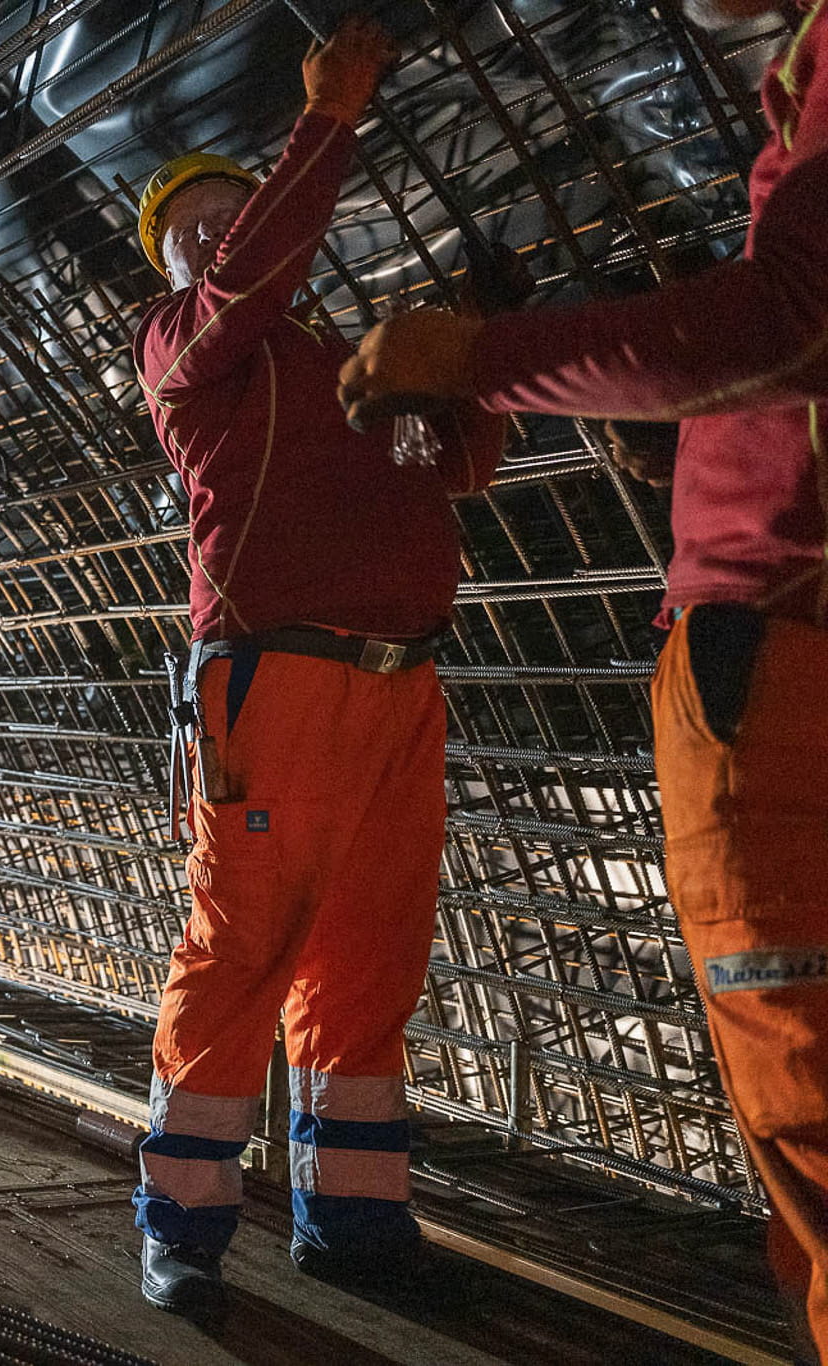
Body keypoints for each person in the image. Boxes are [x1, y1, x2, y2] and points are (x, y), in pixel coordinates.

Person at [337, 1, 828, 1351]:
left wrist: (477, 358)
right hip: (767, 647)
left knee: (808, 1099)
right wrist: (671, 452)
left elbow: (794, 320)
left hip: (780, 657)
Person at [127, 14, 507, 1321]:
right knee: (242, 949)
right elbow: (244, 279)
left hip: (402, 683)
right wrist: (328, 120)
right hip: (273, 678)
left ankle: (351, 1217)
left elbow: (442, 469)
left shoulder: (339, 374)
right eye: (199, 226)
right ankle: (181, 1220)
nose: (221, 234)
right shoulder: (186, 349)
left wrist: (474, 367)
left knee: (370, 953)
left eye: (237, 210)